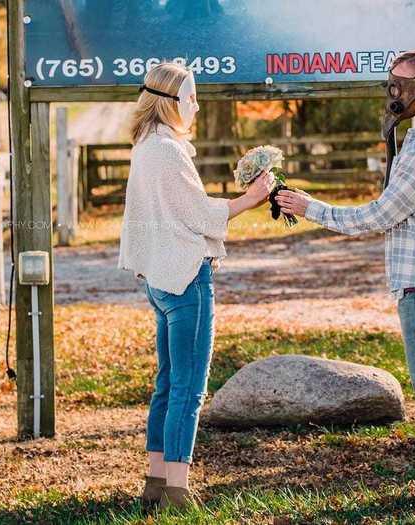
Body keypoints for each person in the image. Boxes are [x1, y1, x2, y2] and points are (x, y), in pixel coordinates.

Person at [276, 48, 415, 516]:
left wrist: (310, 208)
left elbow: (378, 215)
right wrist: (394, 143)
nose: (392, 94)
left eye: (399, 85)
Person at [117, 62, 274, 510]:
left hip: (161, 281)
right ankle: (178, 493)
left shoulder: (145, 146)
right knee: (189, 387)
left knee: (167, 383)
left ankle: (155, 481)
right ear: (169, 103)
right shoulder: (168, 150)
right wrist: (254, 197)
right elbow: (200, 214)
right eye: (190, 98)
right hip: (186, 279)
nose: (196, 105)